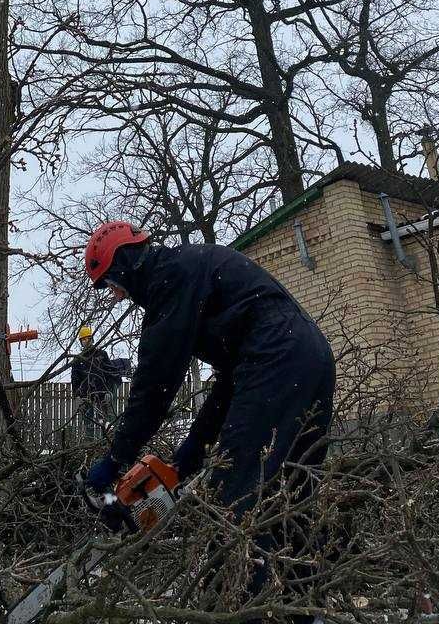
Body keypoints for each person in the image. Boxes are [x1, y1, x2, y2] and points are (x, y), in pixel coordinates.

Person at [82, 221, 336, 617]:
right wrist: (185, 461)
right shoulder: (191, 272)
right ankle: (303, 610)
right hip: (309, 356)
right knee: (292, 492)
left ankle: (245, 610)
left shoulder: (170, 281)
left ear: (124, 266)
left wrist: (114, 461)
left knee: (233, 500)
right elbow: (229, 388)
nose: (116, 295)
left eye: (112, 285)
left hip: (277, 359)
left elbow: (155, 387)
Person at [70, 323, 130, 440]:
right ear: (81, 342)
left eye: (88, 338)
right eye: (83, 339)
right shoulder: (78, 360)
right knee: (89, 422)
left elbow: (110, 373)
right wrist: (77, 396)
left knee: (108, 421)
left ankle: (109, 443)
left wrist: (110, 392)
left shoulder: (101, 355)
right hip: (86, 396)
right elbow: (75, 380)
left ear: (92, 339)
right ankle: (90, 446)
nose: (86, 341)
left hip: (102, 393)